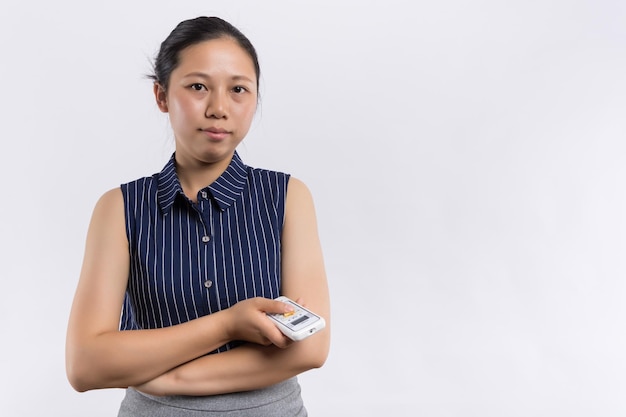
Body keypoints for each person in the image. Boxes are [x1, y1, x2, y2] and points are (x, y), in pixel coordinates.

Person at [65, 16, 330, 416]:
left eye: (238, 89)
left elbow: (310, 348)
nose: (219, 108)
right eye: (198, 87)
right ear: (161, 95)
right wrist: (227, 325)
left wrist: (172, 381)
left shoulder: (288, 197)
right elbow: (85, 365)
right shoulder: (119, 208)